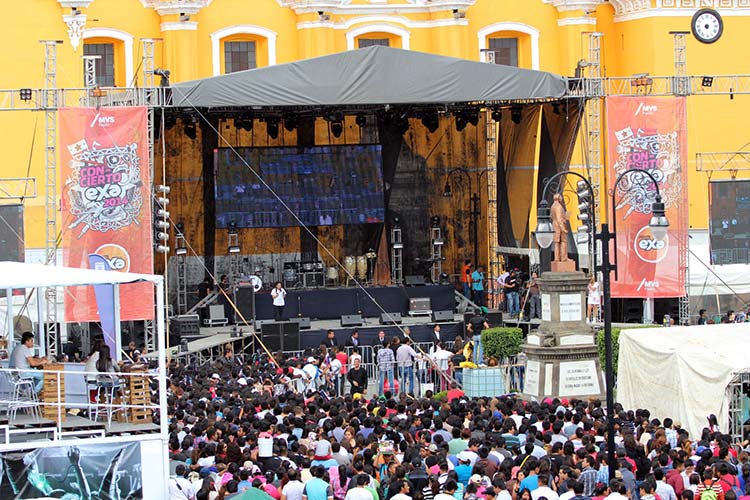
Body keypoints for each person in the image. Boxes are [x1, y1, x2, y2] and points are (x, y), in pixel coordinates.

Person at [551, 193, 571, 263]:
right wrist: (563, 229)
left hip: (555, 225)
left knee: (556, 242)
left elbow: (554, 217)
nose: (562, 198)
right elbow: (559, 219)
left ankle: (557, 258)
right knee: (563, 242)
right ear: (558, 198)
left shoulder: (553, 206)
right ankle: (564, 258)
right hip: (559, 226)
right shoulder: (558, 207)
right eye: (561, 197)